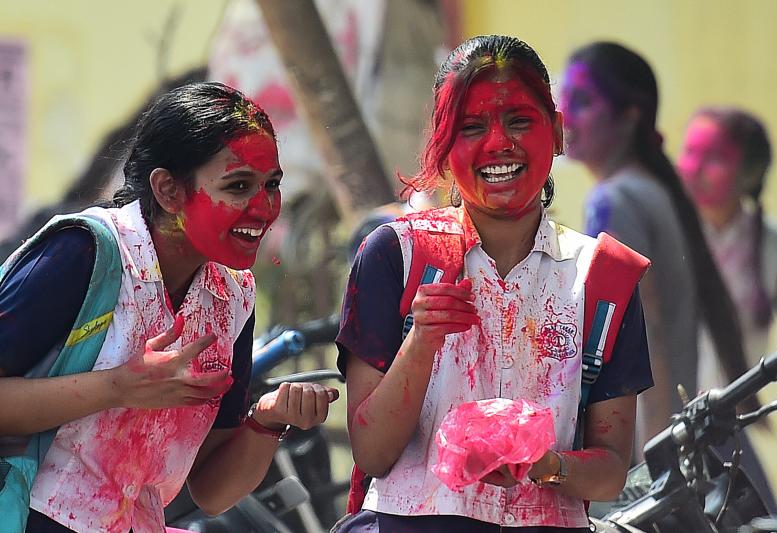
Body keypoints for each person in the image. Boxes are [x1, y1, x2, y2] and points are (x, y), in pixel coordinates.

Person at [335, 35, 653, 532]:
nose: (499, 143)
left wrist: (547, 466)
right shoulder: (395, 255)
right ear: (441, 148)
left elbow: (612, 471)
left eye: (520, 120)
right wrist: (421, 343)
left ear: (558, 132)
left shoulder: (603, 276)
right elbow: (372, 454)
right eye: (471, 126)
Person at [0, 81, 338, 532]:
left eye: (271, 185)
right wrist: (119, 386)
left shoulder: (233, 295)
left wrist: (267, 422)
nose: (264, 208)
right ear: (168, 190)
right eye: (239, 186)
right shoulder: (85, 252)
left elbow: (211, 492)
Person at [558, 42, 753, 448]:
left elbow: (648, 335)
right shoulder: (651, 190)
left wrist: (653, 464)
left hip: (654, 443)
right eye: (562, 98)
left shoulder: (613, 202)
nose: (563, 114)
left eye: (582, 101)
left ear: (628, 116)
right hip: (673, 436)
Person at [676, 106, 777, 391]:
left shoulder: (772, 245)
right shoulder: (662, 232)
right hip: (660, 423)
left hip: (729, 417)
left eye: (714, 158)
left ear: (751, 174)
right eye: (689, 152)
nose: (693, 168)